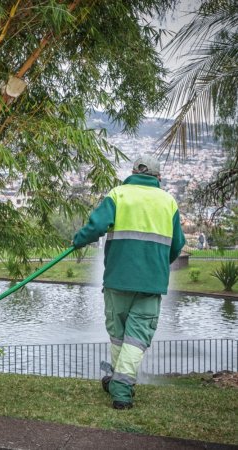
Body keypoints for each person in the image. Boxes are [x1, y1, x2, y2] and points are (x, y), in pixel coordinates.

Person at [72, 155, 186, 410]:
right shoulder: (168, 201)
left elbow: (96, 226)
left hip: (116, 279)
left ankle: (118, 382)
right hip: (150, 284)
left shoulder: (118, 194)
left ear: (133, 172)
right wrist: (156, 265)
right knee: (137, 337)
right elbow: (177, 245)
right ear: (158, 177)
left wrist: (78, 239)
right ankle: (121, 387)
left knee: (118, 335)